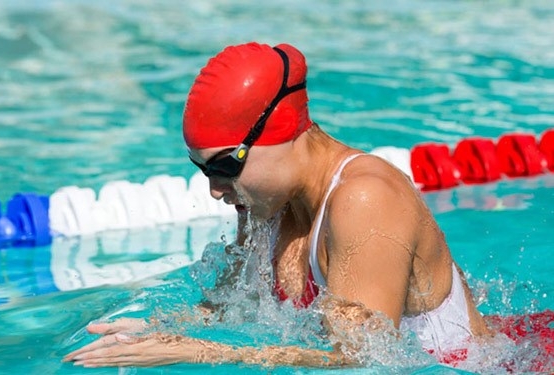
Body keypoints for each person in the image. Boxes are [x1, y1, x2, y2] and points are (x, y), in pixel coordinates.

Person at [63, 42, 492, 368]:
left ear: (281, 131)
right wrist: (156, 332)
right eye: (202, 169)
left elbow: (363, 361)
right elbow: (230, 308)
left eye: (226, 165)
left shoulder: (365, 199)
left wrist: (198, 352)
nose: (215, 188)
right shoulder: (265, 204)